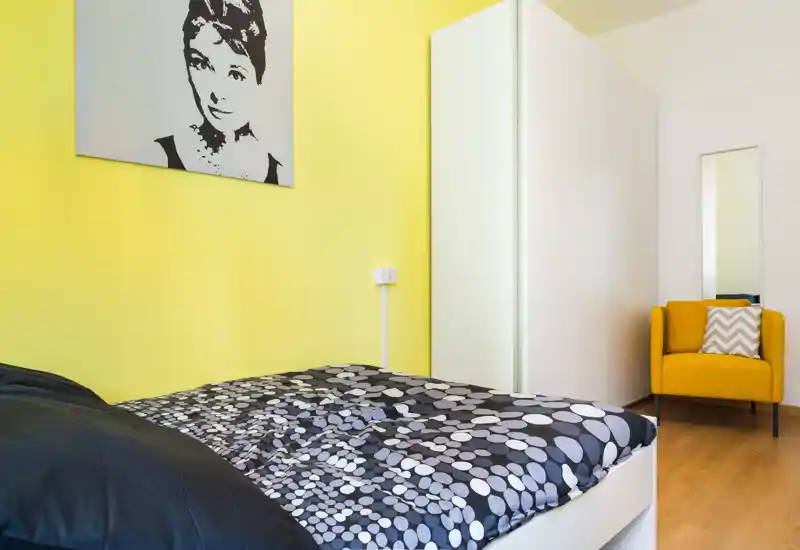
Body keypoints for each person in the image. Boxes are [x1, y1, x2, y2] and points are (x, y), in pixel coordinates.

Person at [155, 0, 281, 184]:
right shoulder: (157, 156)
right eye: (201, 64)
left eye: (235, 74)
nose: (217, 93)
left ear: (258, 76)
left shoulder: (279, 173)